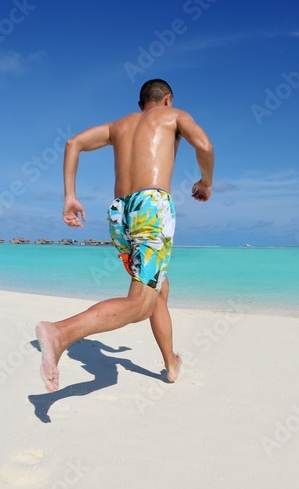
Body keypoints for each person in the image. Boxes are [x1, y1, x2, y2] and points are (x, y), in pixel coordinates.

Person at [35, 78, 214, 392]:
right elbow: (204, 145)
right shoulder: (174, 116)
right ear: (167, 99)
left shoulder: (118, 125)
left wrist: (70, 197)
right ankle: (61, 333)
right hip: (151, 207)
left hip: (121, 212)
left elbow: (72, 143)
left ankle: (171, 363)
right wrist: (205, 181)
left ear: (140, 104)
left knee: (157, 286)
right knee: (141, 302)